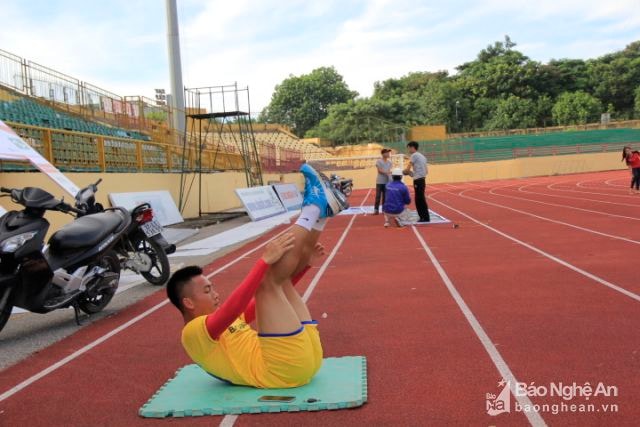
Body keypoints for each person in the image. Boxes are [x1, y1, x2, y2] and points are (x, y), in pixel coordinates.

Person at [167, 163, 343, 388]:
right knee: (265, 283)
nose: (215, 294)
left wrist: (306, 266)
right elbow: (233, 308)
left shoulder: (222, 322)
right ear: (188, 302)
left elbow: (271, 291)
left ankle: (321, 215)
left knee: (276, 285)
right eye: (207, 290)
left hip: (306, 359)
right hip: (281, 369)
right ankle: (313, 210)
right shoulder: (192, 333)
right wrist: (263, 262)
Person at [403, 141, 430, 222]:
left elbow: (407, 169)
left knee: (418, 199)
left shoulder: (414, 155)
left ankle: (423, 217)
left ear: (412, 147)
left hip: (418, 181)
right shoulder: (422, 156)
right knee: (421, 198)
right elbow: (426, 171)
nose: (408, 150)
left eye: (408, 148)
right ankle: (426, 217)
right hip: (422, 179)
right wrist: (411, 174)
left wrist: (403, 172)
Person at [374, 148, 393, 215]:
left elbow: (390, 170)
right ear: (383, 154)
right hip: (379, 181)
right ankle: (376, 210)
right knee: (378, 196)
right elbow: (379, 170)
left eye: (388, 153)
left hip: (387, 182)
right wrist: (387, 173)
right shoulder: (379, 161)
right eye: (387, 153)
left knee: (385, 197)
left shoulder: (390, 162)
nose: (388, 154)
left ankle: (384, 210)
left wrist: (390, 173)